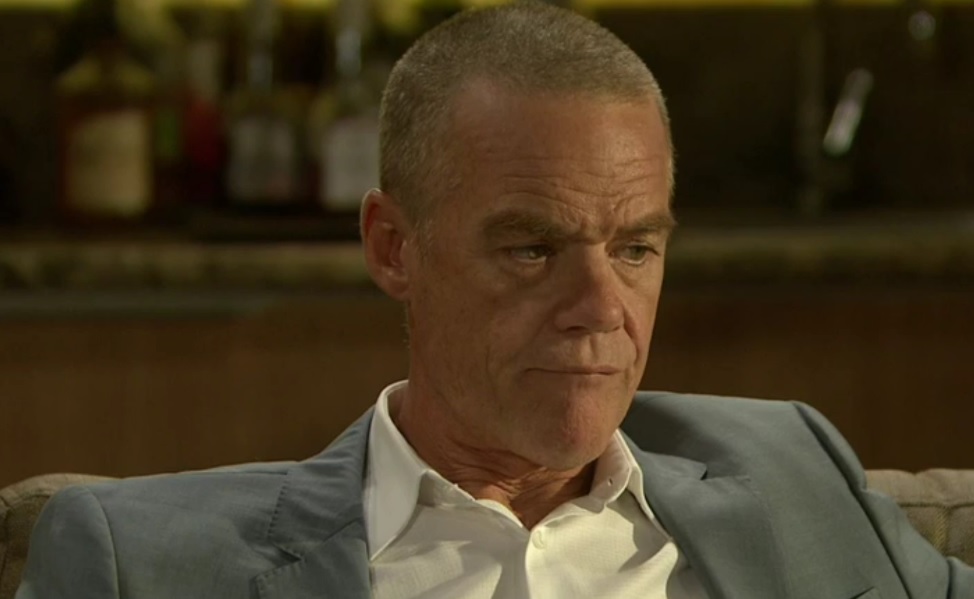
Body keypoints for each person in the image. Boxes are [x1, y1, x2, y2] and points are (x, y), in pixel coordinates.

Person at [16, 2, 974, 598]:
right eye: (532, 248)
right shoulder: (139, 562)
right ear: (394, 247)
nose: (601, 306)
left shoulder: (789, 464)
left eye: (635, 248)